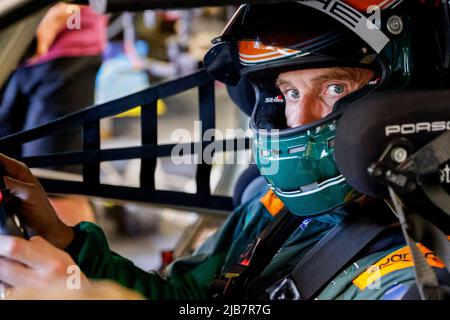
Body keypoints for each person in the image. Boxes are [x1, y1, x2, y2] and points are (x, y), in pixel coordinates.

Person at [0, 0, 448, 300]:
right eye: (290, 92)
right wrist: (66, 244)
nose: (299, 118)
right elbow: (187, 300)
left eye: (333, 87)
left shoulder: (404, 278)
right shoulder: (272, 208)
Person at [0, 2, 108, 226]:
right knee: (6, 176)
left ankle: (82, 261)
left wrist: (67, 8)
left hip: (65, 53)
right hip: (10, 50)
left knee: (54, 189)